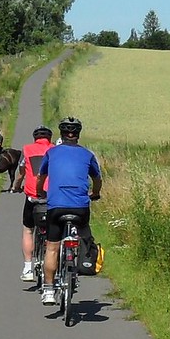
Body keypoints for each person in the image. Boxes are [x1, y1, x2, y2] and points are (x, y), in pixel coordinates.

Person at [35, 116, 102, 305]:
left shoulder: (52, 153)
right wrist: (95, 193)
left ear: (62, 134)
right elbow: (97, 179)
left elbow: (41, 177)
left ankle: (48, 290)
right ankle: (82, 258)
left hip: (56, 206)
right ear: (78, 135)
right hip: (80, 207)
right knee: (84, 236)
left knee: (52, 247)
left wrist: (41, 192)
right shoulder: (87, 155)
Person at [11, 125, 54, 281]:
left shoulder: (27, 149)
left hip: (33, 196)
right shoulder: (54, 150)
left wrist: (16, 187)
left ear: (35, 138)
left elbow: (21, 173)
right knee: (54, 231)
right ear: (49, 138)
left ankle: (28, 268)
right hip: (51, 198)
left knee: (28, 230)